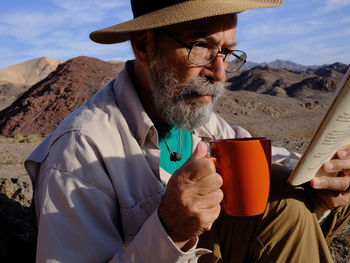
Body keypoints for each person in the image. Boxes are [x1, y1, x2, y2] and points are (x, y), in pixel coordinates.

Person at [25, 0, 350, 262]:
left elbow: (261, 159)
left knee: (294, 191)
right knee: (285, 209)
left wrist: (322, 174)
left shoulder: (198, 119)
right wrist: (169, 232)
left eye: (225, 52)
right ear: (143, 46)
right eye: (201, 47)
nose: (220, 73)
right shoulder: (79, 150)